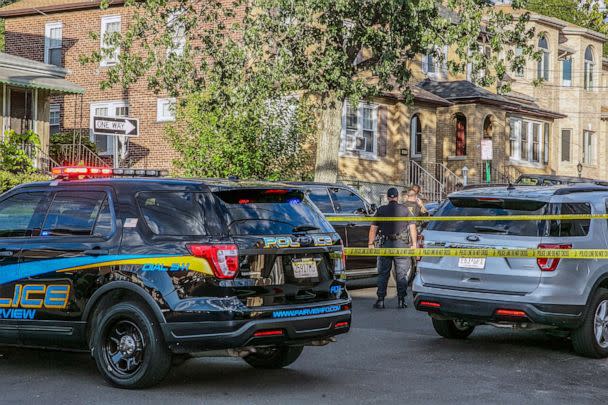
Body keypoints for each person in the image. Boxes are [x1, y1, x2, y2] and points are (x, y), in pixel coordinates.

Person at [368, 187, 417, 309]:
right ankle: (401, 300)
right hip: (402, 245)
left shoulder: (381, 210)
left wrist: (370, 243)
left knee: (383, 274)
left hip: (386, 245)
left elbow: (373, 228)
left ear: (388, 197)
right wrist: (414, 243)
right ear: (397, 197)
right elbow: (412, 227)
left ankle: (380, 300)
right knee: (401, 274)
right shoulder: (405, 210)